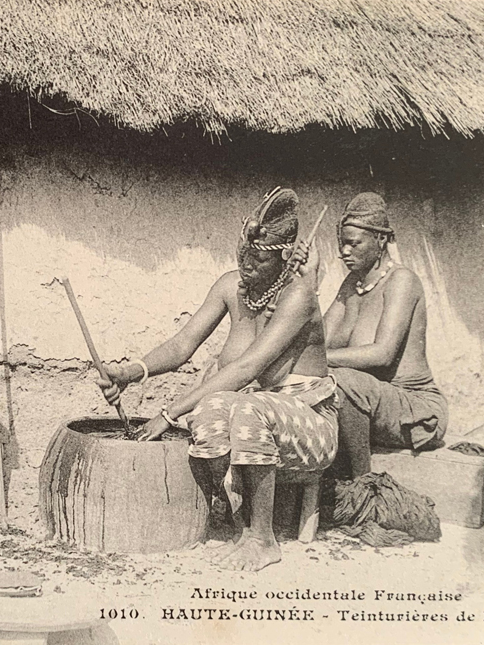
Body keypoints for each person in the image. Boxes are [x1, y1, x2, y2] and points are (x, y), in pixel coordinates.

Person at [98, 188, 336, 572]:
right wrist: (129, 372)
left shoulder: (299, 298)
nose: (246, 265)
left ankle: (263, 538)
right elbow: (183, 344)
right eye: (243, 253)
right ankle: (236, 522)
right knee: (209, 410)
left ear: (285, 257)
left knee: (247, 405)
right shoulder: (231, 286)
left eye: (258, 258)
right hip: (260, 420)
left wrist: (169, 413)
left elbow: (245, 370)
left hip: (310, 429)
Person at [298, 193, 447, 479]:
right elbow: (317, 340)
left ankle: (362, 486)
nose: (344, 251)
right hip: (369, 401)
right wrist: (308, 282)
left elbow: (382, 353)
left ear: (380, 241)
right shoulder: (352, 284)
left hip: (415, 409)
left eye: (354, 243)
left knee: (339, 380)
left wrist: (319, 361)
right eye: (342, 242)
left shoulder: (402, 281)